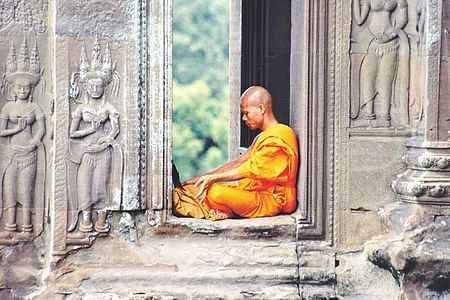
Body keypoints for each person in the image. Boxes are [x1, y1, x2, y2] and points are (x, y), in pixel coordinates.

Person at [174, 86, 299, 220]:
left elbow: (250, 170)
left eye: (246, 113)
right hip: (256, 193)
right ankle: (228, 211)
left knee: (215, 192)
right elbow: (238, 162)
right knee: (194, 190)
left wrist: (214, 178)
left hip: (274, 200)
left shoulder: (281, 134)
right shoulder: (261, 137)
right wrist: (203, 177)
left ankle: (230, 213)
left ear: (262, 109)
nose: (244, 118)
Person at [67, 39, 122, 233]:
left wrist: (106, 140)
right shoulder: (82, 109)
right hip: (87, 152)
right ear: (86, 86)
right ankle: (85, 220)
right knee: (84, 186)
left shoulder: (109, 108)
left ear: (104, 86)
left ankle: (101, 220)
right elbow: (72, 133)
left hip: (103, 152)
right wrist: (92, 129)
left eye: (98, 86)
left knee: (100, 186)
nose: (95, 89)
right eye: (91, 86)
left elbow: (114, 130)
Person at [0, 38, 45, 236]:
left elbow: (41, 130)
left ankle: (27, 227)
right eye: (19, 88)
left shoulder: (35, 107)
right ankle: (10, 226)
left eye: (26, 88)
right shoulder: (8, 107)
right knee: (10, 191)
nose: (23, 91)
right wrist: (18, 128)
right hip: (11, 154)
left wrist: (33, 144)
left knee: (26, 191)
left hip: (29, 154)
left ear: (31, 89)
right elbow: (1, 132)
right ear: (13, 89)